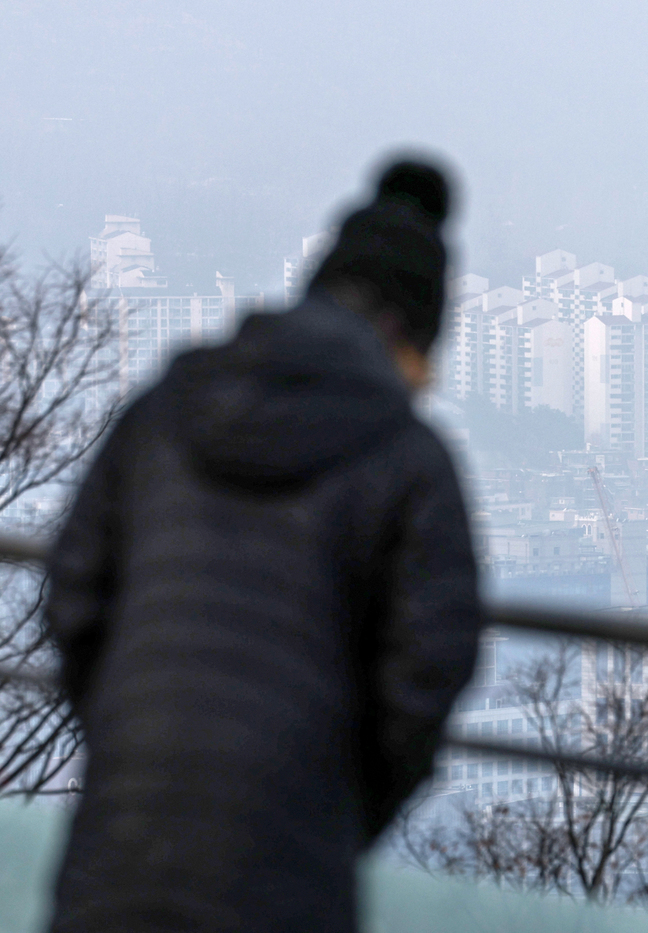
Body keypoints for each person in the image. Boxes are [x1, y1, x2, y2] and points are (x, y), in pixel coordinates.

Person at [43, 160, 483, 932]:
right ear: (412, 342)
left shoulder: (166, 408)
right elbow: (430, 669)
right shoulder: (409, 459)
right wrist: (340, 806)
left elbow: (75, 589)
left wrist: (127, 733)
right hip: (285, 873)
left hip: (117, 849)